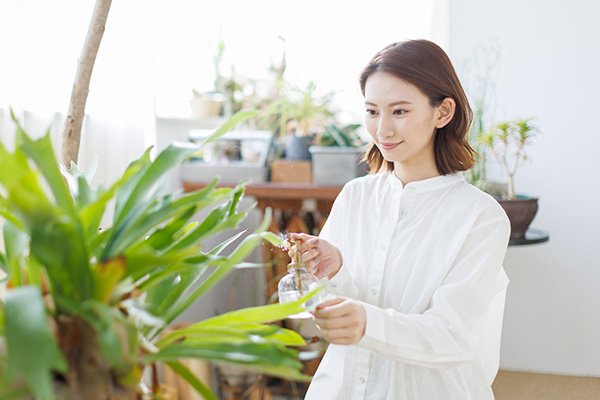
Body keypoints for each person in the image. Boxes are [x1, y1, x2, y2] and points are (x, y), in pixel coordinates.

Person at [290, 40, 510, 399]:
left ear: (443, 112)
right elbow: (333, 311)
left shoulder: (481, 217)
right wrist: (334, 271)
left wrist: (368, 323)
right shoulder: (355, 196)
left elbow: (452, 336)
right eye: (373, 111)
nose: (383, 130)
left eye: (400, 111)